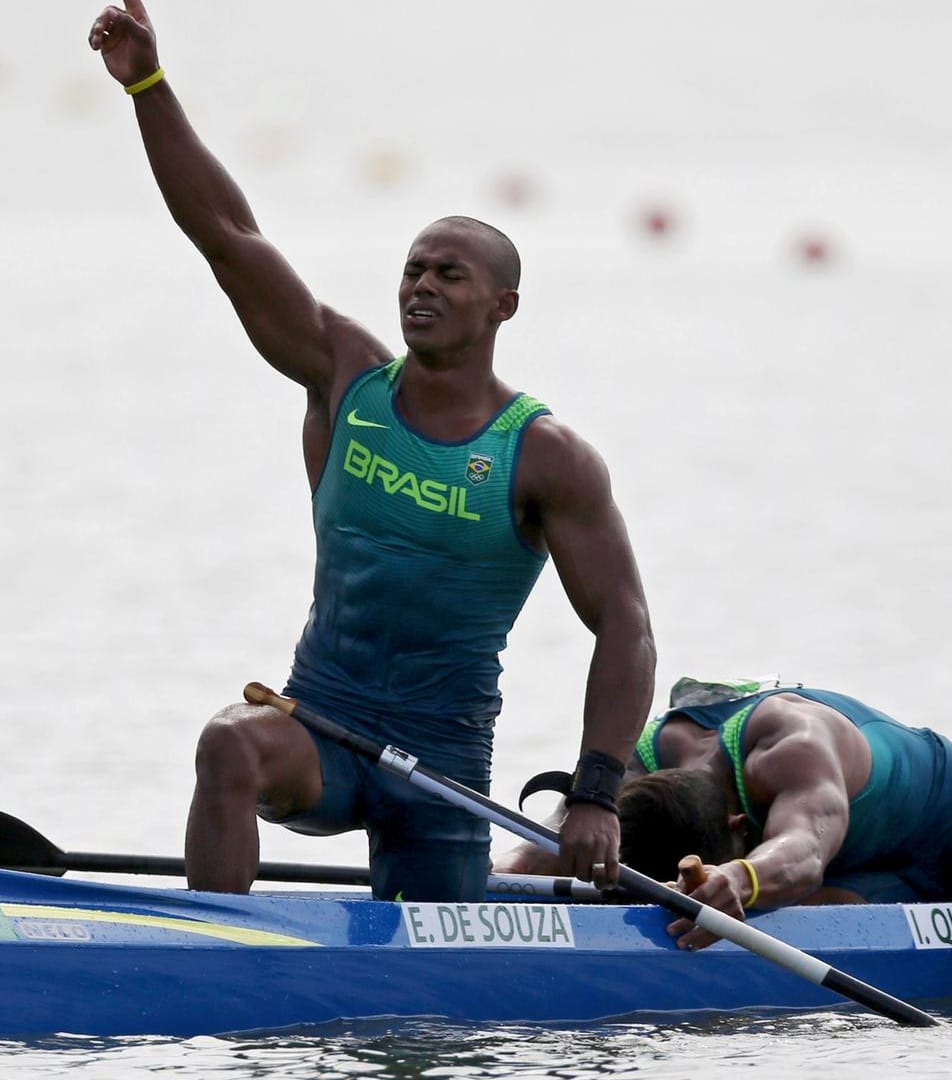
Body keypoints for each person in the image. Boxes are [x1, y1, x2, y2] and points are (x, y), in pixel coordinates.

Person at [86, 1, 655, 903]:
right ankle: (221, 956)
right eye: (412, 269)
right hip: (321, 726)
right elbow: (227, 238)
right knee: (227, 742)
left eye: (448, 274)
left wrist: (597, 794)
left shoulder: (548, 457)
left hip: (446, 760)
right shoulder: (343, 373)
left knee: (432, 1038)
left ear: (502, 305)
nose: (421, 285)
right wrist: (149, 88)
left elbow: (624, 624)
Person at [499, 677, 952, 995]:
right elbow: (536, 855)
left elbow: (805, 846)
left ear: (740, 826)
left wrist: (741, 879)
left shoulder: (789, 747)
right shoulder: (637, 780)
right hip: (856, 878)